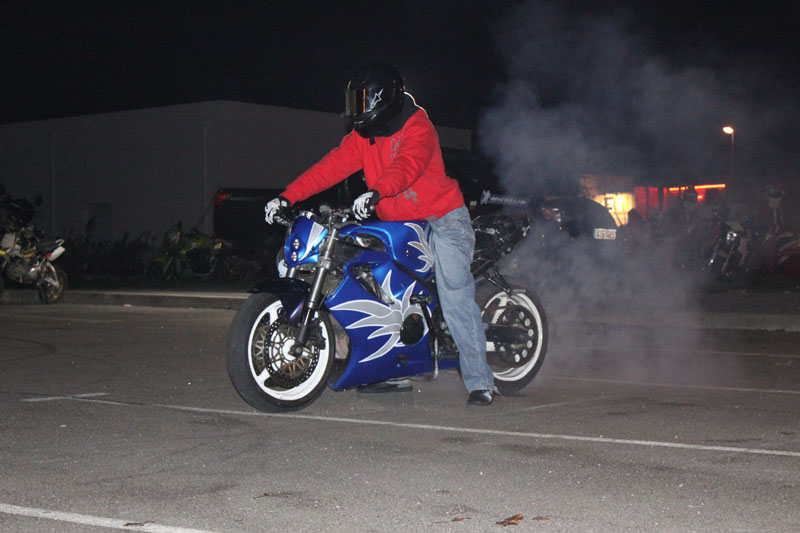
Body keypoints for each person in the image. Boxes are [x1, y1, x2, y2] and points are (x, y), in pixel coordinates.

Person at [264, 63, 495, 406]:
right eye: (352, 101)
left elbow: (407, 165)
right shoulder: (362, 137)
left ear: (383, 99)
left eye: (362, 101)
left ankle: (480, 381)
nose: (355, 110)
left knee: (453, 290)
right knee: (374, 285)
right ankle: (387, 370)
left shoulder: (418, 127)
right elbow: (329, 168)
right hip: (395, 223)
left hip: (442, 219)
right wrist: (288, 195)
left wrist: (377, 191)